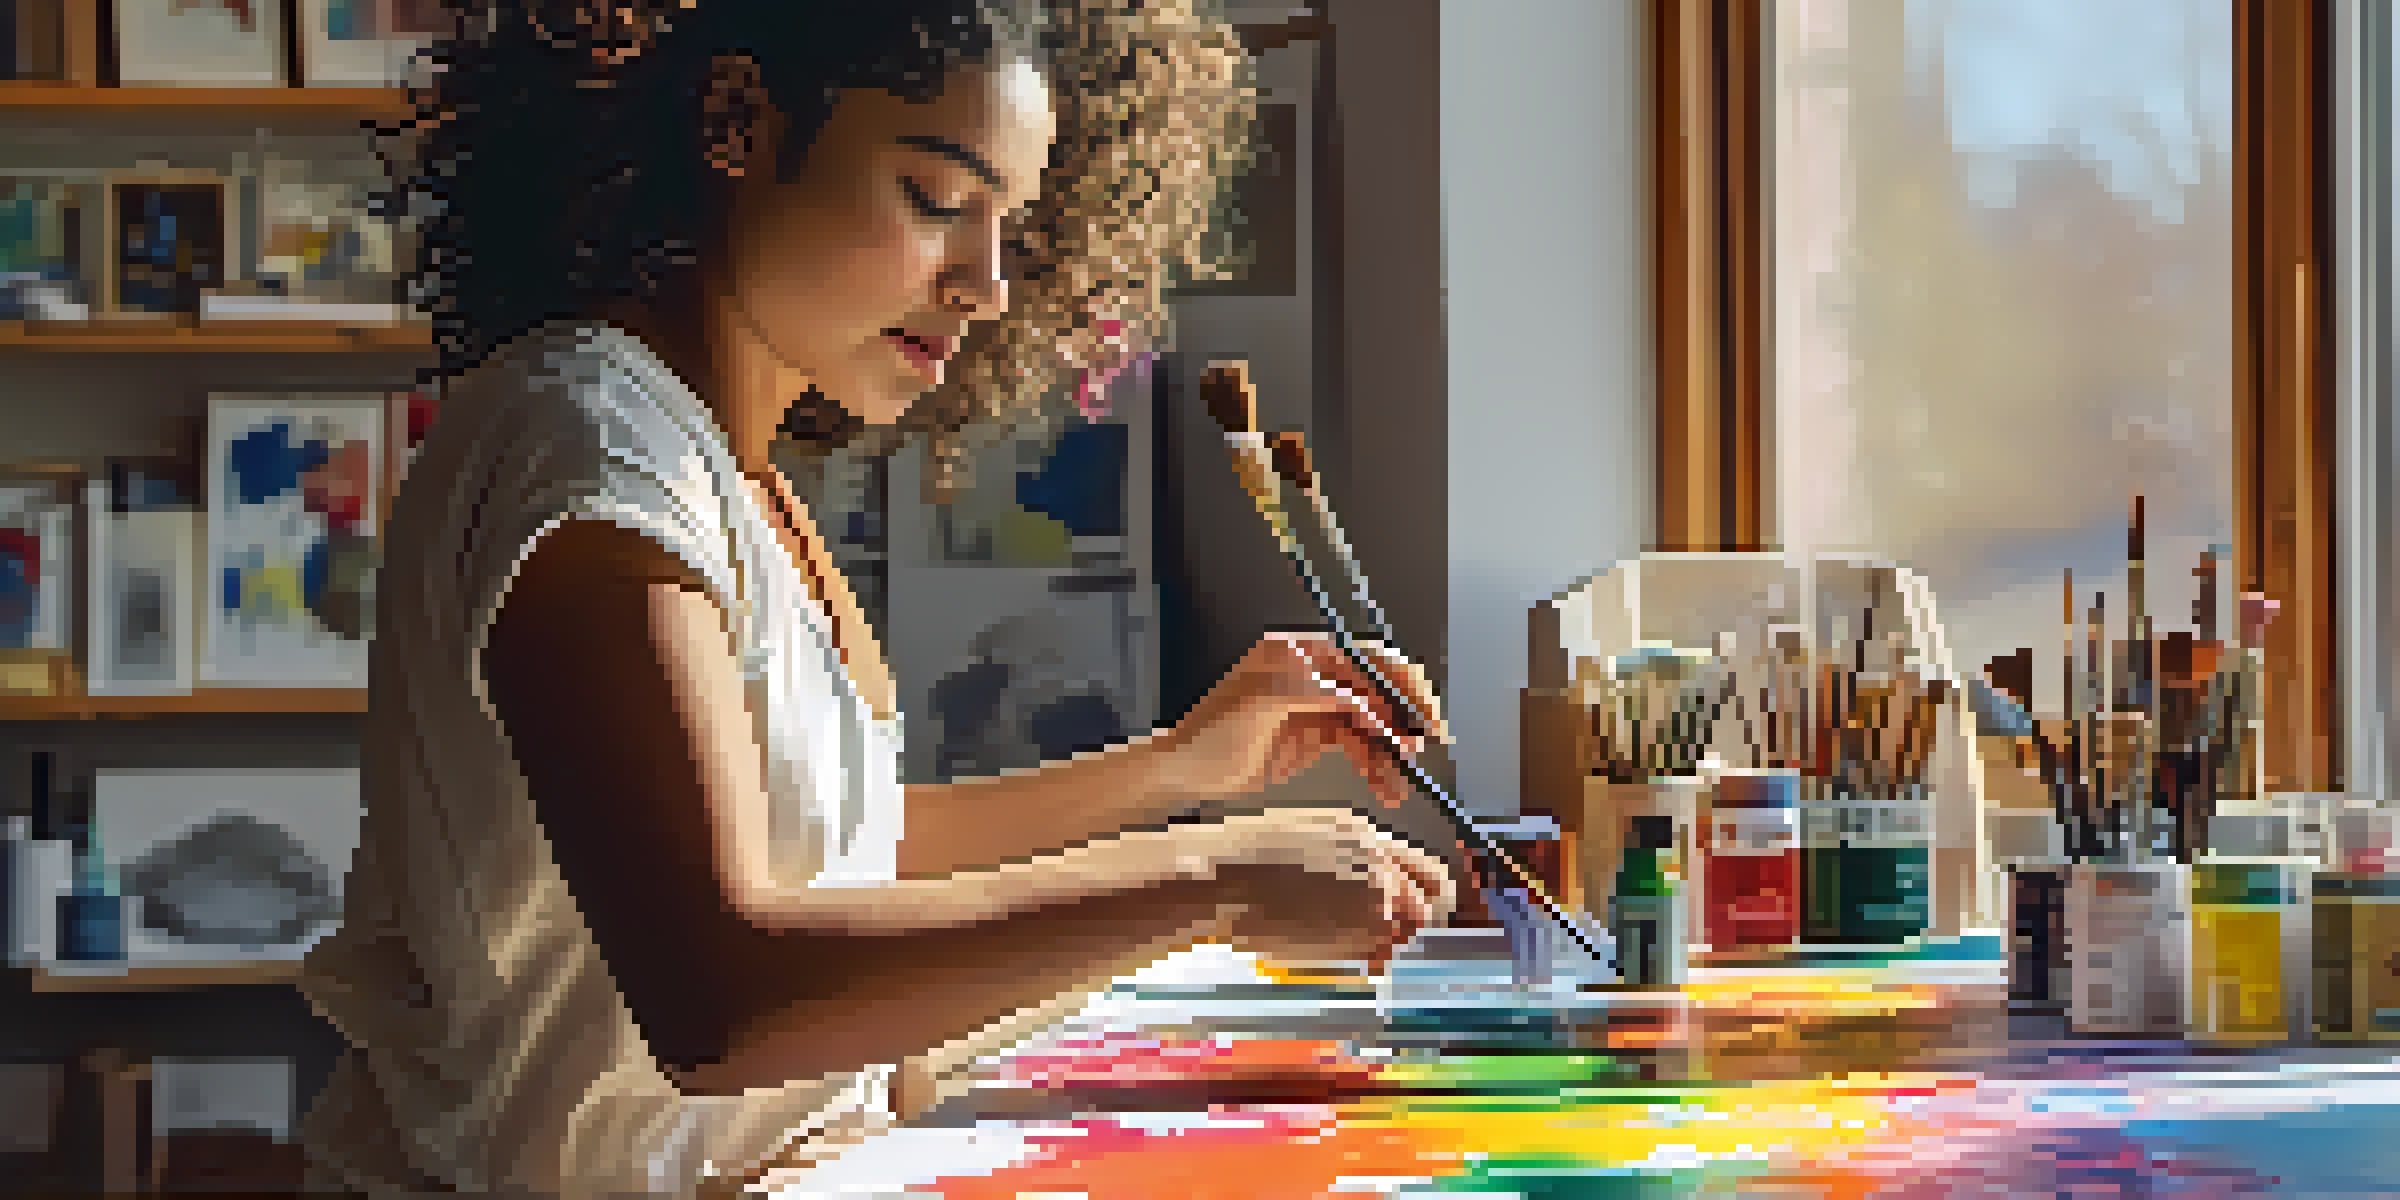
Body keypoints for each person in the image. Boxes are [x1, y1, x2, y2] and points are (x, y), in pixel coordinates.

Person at [294, 2, 1458, 1195]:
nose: (988, 284)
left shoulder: (723, 463)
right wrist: (1215, 883)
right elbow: (719, 996)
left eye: (1012, 226)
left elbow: (843, 855)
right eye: (939, 199)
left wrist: (1180, 765)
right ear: (736, 122)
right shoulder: (593, 455)